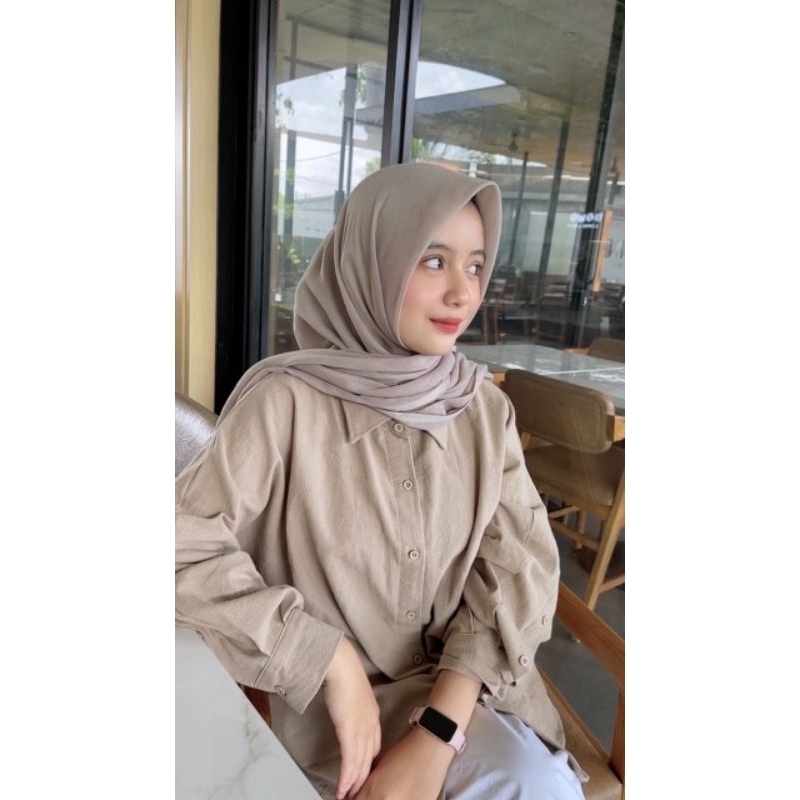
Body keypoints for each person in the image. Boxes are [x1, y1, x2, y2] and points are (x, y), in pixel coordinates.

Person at [176, 162, 586, 800]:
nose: (463, 293)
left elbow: (518, 568)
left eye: (476, 265)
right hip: (332, 722)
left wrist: (436, 735)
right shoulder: (285, 403)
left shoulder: (482, 408)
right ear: (373, 262)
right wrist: (325, 657)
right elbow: (180, 545)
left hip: (471, 695)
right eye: (434, 260)